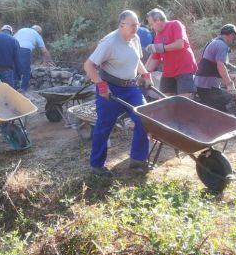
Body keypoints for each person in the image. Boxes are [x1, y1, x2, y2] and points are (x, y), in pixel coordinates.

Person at [83, 10, 153, 176]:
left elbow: (136, 61)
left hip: (131, 88)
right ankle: (97, 166)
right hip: (110, 87)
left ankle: (137, 159)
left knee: (144, 119)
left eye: (138, 24)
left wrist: (145, 74)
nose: (136, 28)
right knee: (104, 126)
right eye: (132, 25)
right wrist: (101, 86)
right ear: (122, 25)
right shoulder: (109, 42)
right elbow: (88, 66)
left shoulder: (135, 38)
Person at [144, 9, 197, 96]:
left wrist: (161, 47)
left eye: (151, 24)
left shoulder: (175, 24)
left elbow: (180, 44)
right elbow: (155, 59)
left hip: (184, 68)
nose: (151, 27)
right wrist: (144, 74)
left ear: (158, 20)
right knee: (164, 99)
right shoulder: (157, 36)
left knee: (184, 100)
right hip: (169, 70)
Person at [194, 24, 236, 112]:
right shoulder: (222, 45)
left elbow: (216, 61)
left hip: (200, 83)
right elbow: (221, 65)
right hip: (208, 85)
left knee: (214, 107)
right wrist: (230, 84)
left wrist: (234, 68)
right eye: (233, 37)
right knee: (228, 99)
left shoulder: (214, 42)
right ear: (231, 35)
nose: (233, 40)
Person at [13, 24, 53, 91]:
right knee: (26, 70)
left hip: (14, 49)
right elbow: (44, 51)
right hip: (25, 50)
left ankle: (14, 88)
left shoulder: (22, 30)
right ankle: (23, 89)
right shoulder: (36, 34)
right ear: (38, 31)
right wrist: (49, 60)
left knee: (15, 69)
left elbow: (11, 38)